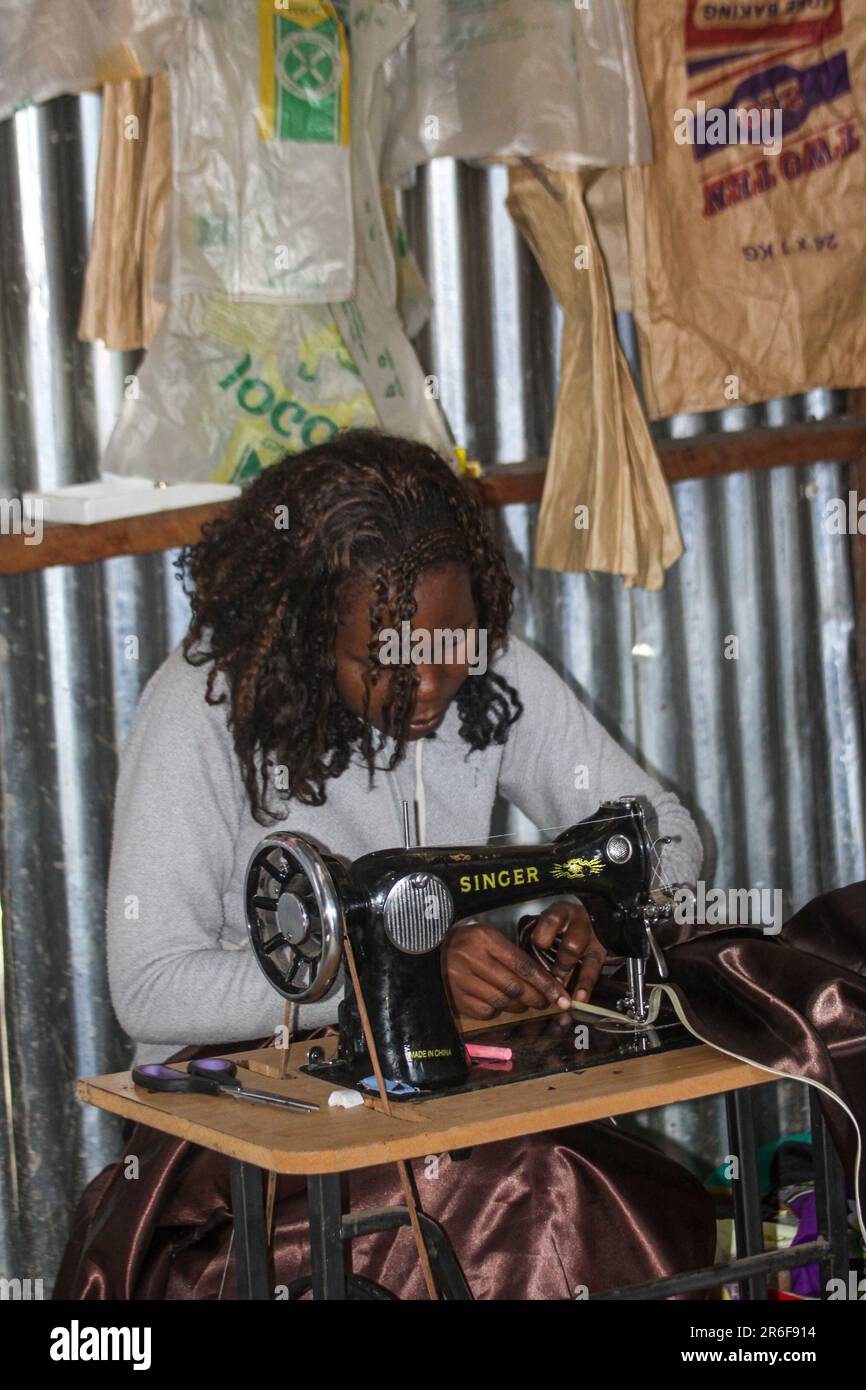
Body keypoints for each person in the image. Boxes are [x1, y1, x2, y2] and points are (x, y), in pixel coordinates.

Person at [59, 429, 717, 1300]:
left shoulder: (485, 677)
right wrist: (390, 980)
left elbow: (665, 830)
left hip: (435, 1093)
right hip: (240, 1127)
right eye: (383, 663)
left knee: (638, 1197)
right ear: (301, 630)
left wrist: (603, 911)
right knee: (545, 1198)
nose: (430, 691)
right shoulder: (205, 707)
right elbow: (148, 986)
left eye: (452, 647)